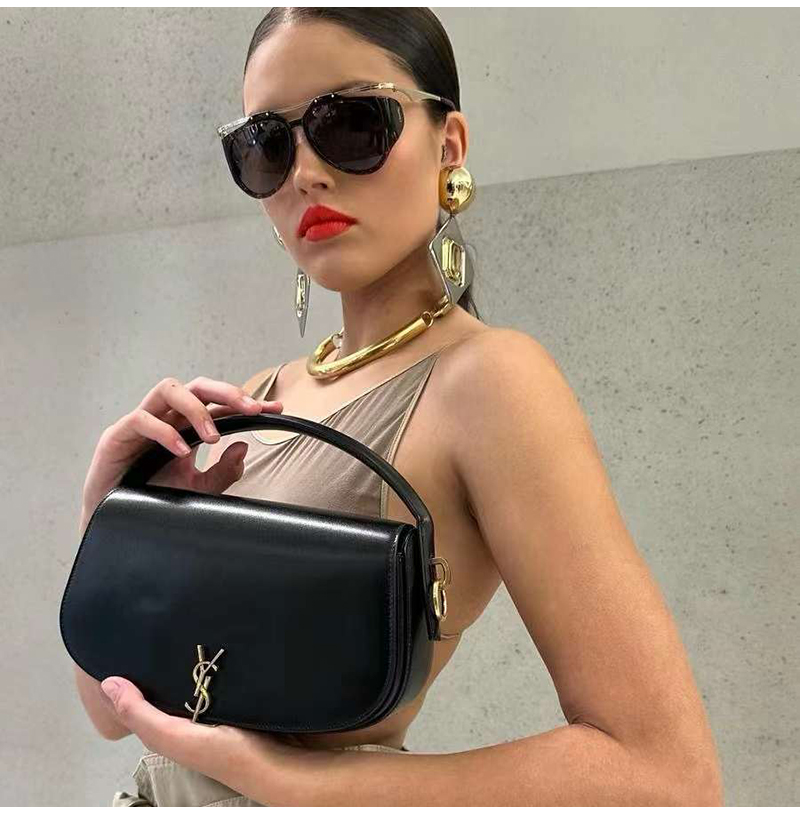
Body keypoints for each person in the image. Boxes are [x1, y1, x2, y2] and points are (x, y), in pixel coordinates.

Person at [73, 7, 723, 807]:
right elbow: (111, 706)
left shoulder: (488, 382)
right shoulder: (263, 394)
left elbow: (670, 775)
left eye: (351, 124)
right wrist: (110, 516)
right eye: (267, 145)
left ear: (448, 145)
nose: (306, 173)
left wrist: (297, 781)